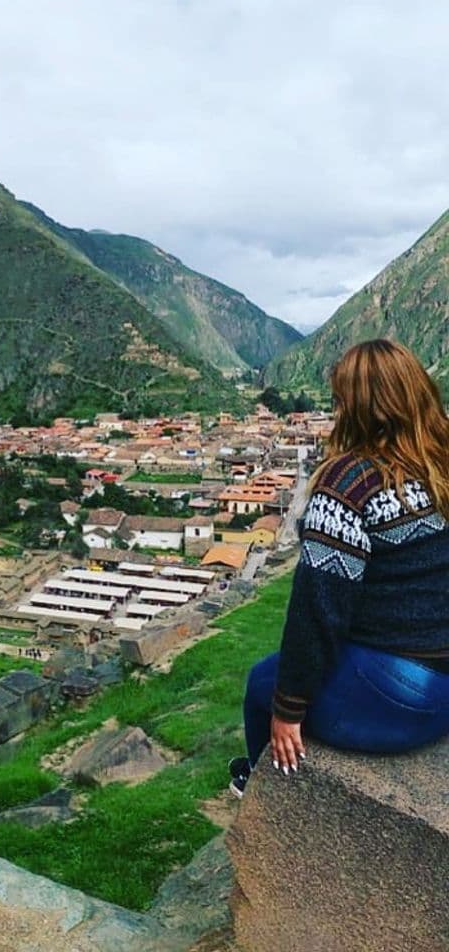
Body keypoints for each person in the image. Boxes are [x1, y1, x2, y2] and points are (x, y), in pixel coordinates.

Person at [231, 339, 449, 797]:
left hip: (407, 696)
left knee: (260, 686)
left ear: (354, 406)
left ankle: (261, 793)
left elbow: (319, 609)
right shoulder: (441, 465)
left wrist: (288, 708)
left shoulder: (347, 484)